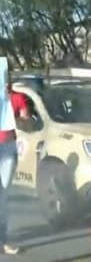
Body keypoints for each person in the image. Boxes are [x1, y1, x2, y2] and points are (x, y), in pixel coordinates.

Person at [0, 72, 30, 255]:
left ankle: (3, 240)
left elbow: (26, 120)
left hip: (8, 149)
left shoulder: (18, 98)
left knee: (3, 196)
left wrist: (17, 118)